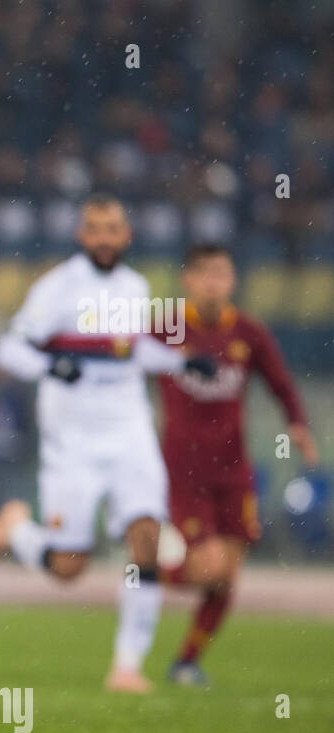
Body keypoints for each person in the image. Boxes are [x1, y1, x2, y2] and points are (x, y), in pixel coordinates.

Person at [0, 195, 216, 693]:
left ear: (127, 236)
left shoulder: (136, 286)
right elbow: (8, 348)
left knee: (146, 535)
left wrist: (182, 362)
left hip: (129, 429)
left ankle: (126, 666)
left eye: (113, 229)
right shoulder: (57, 287)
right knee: (69, 568)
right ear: (82, 236)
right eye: (95, 229)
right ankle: (17, 528)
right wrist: (50, 365)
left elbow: (130, 351)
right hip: (73, 441)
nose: (104, 238)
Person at [160, 243, 319, 685]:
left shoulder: (248, 332)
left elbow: (280, 383)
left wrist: (298, 425)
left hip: (232, 471)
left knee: (226, 575)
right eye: (206, 273)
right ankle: (147, 571)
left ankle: (187, 661)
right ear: (188, 280)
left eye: (222, 274)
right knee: (207, 568)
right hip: (184, 471)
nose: (215, 282)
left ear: (232, 281)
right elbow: (128, 363)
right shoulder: (167, 329)